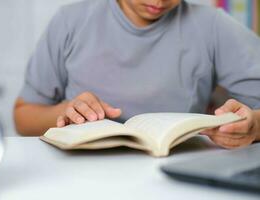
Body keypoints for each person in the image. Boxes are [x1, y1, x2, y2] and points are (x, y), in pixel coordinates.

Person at [14, 0, 260, 149]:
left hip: (174, 175)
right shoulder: (70, 21)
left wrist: (254, 126)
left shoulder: (211, 25)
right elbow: (22, 116)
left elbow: (253, 119)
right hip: (79, 175)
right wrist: (65, 112)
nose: (159, 1)